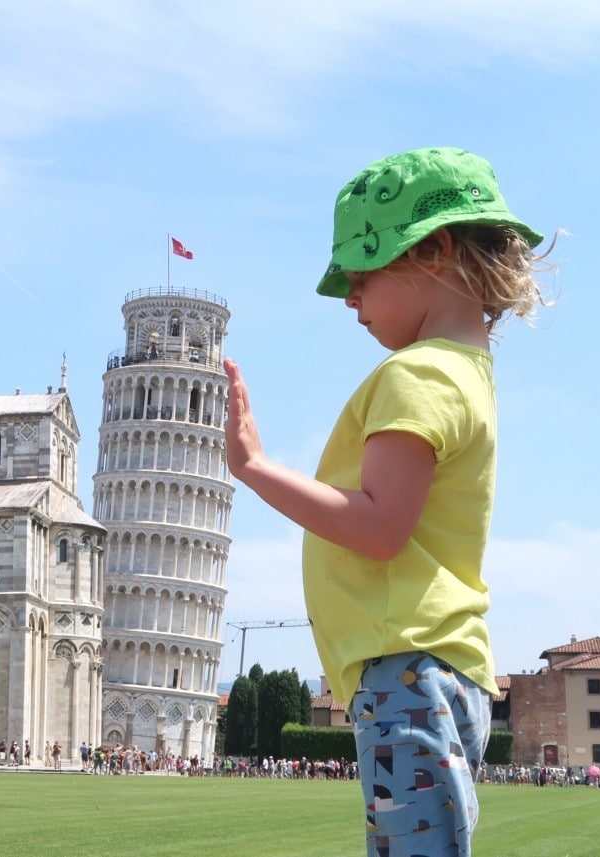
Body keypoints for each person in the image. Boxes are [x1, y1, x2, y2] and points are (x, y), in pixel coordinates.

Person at [224, 147, 553, 857]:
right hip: (435, 662)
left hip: (408, 664)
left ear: (433, 250)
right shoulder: (468, 374)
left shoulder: (417, 375)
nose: (350, 296)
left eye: (361, 272)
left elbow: (378, 527)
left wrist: (254, 467)